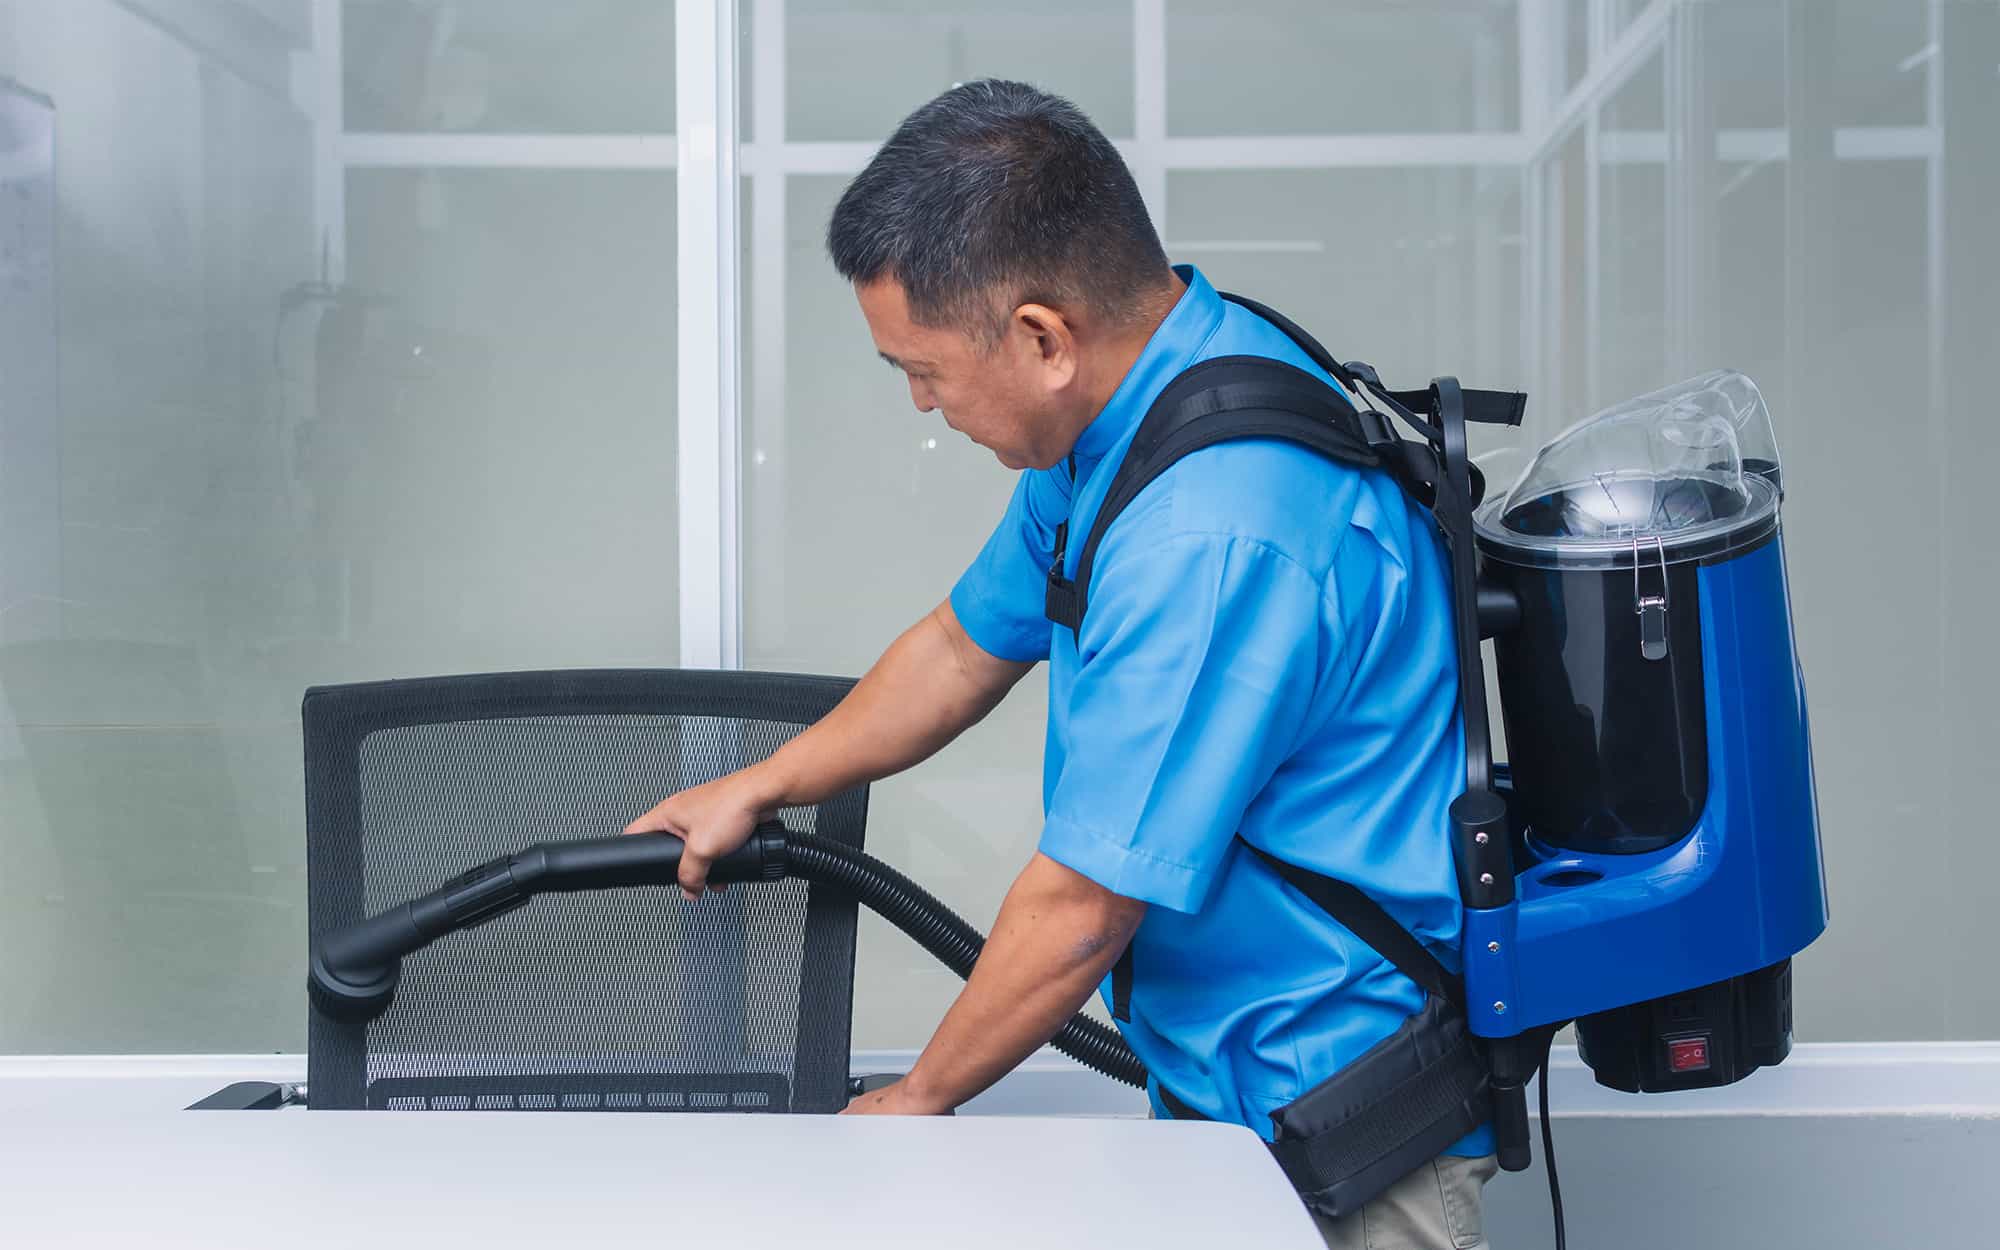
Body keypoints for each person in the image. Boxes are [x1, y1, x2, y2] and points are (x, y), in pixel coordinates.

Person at [625, 79, 1496, 1250]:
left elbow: (1084, 903)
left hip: (1346, 1136)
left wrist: (915, 1099)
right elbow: (959, 644)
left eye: (920, 369)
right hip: (1230, 1101)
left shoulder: (1212, 529)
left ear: (1041, 336)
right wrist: (767, 780)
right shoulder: (1133, 410)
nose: (924, 405)